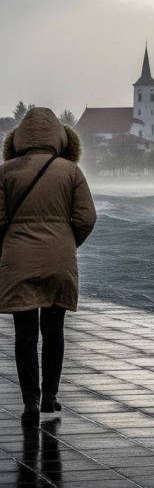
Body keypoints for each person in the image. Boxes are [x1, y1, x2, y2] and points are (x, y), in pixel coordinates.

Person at [0, 107, 97, 424]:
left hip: (19, 260)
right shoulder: (70, 172)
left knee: (25, 333)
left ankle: (31, 401)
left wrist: (10, 245)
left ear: (18, 138)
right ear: (61, 138)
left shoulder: (6, 172)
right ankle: (51, 397)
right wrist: (67, 244)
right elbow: (86, 218)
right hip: (60, 260)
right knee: (54, 331)